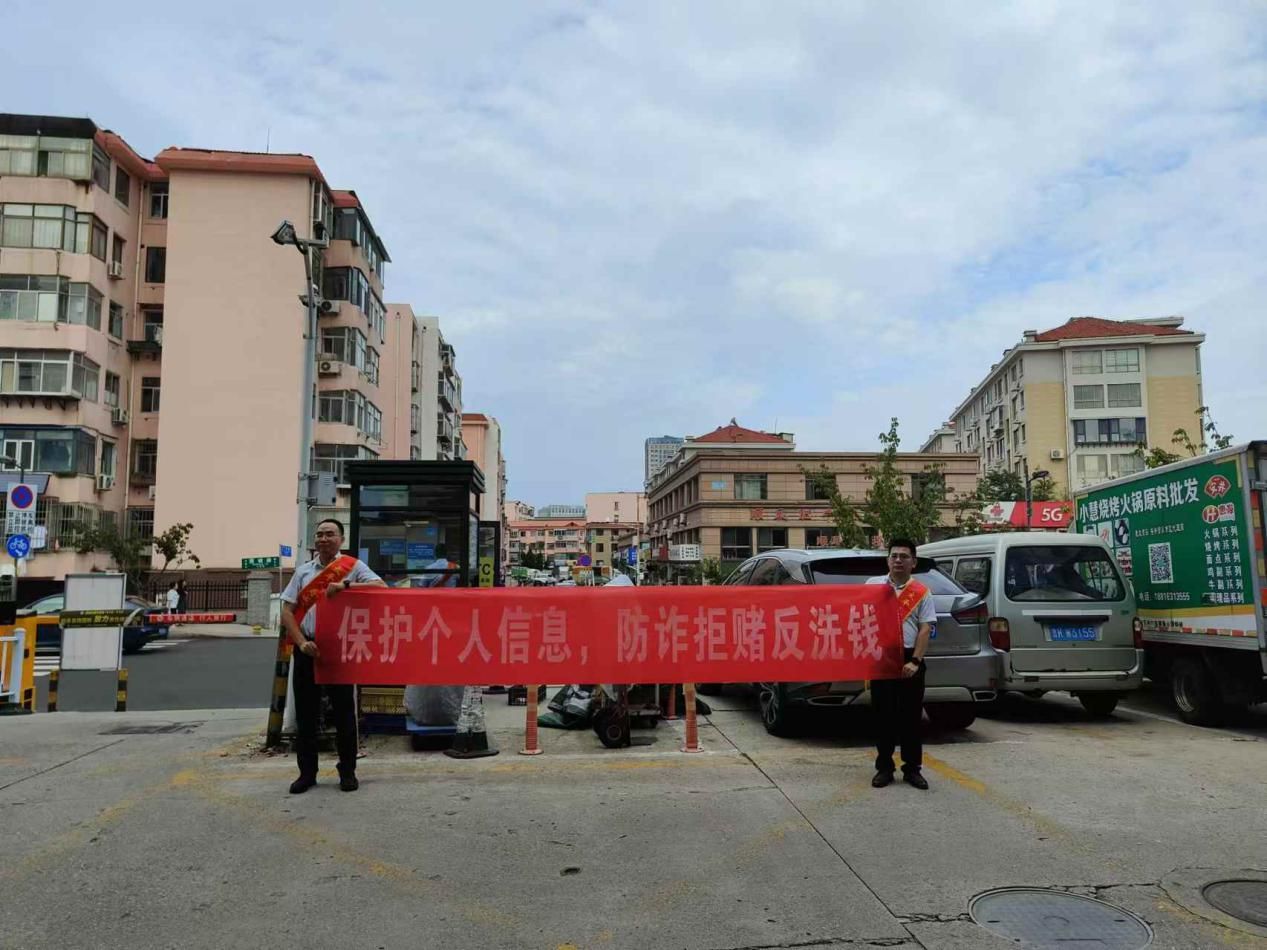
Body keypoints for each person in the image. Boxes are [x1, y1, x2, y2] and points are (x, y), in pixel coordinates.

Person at [281, 519, 385, 794]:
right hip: (307, 649)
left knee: (344, 714)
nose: (323, 539)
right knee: (306, 715)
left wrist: (346, 585)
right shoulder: (303, 572)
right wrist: (301, 643)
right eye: (319, 534)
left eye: (330, 534)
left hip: (340, 650)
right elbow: (287, 611)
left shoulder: (352, 567)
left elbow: (381, 588)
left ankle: (347, 771)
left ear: (341, 539)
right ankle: (307, 773)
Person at [867, 537, 935, 790]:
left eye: (904, 556)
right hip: (882, 657)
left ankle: (912, 769)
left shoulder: (922, 592)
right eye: (894, 556)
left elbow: (925, 628)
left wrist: (915, 660)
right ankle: (884, 768)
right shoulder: (873, 586)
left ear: (913, 562)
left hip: (910, 659)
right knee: (883, 716)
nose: (898, 560)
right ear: (888, 560)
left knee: (911, 717)